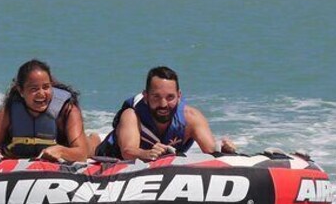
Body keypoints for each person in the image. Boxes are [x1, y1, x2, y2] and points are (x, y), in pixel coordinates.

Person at [95, 66, 236, 161]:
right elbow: (128, 151)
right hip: (109, 156)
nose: (163, 104)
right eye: (156, 97)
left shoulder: (191, 118)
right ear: (146, 96)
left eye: (170, 97)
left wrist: (224, 150)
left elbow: (212, 151)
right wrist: (146, 153)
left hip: (161, 172)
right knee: (90, 147)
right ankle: (93, 139)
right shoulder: (132, 115)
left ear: (179, 96)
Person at [0, 59, 92, 163]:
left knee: (91, 149)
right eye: (34, 89)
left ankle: (94, 139)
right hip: (20, 158)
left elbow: (82, 154)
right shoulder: (9, 111)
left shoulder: (67, 110)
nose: (41, 94)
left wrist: (61, 151)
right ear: (21, 91)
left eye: (46, 87)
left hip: (76, 150)